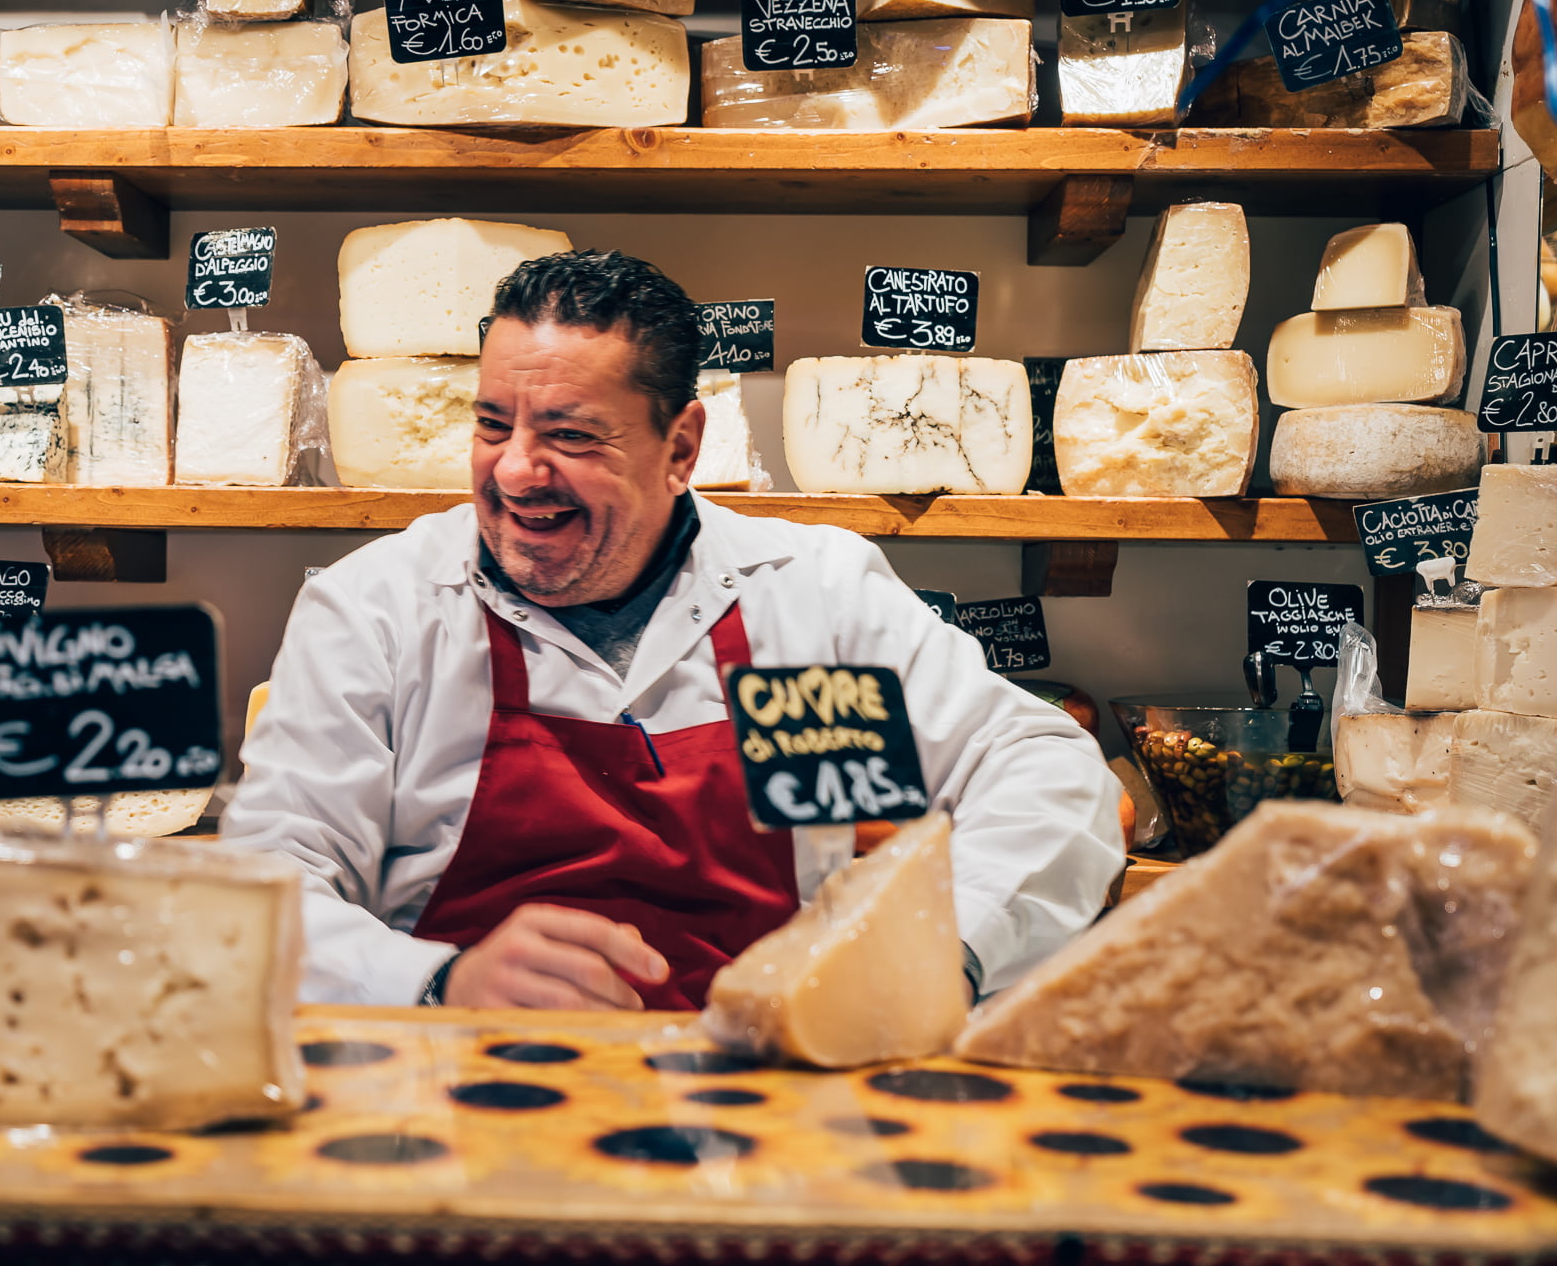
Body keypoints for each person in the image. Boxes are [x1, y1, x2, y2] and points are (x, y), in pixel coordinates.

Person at [223, 250, 1123, 1011]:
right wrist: (436, 981)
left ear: (682, 447)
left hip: (768, 1092)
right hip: (458, 1096)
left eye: (571, 435)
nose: (516, 469)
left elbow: (1045, 770)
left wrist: (942, 956)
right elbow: (265, 880)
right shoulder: (376, 607)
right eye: (493, 424)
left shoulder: (813, 596)